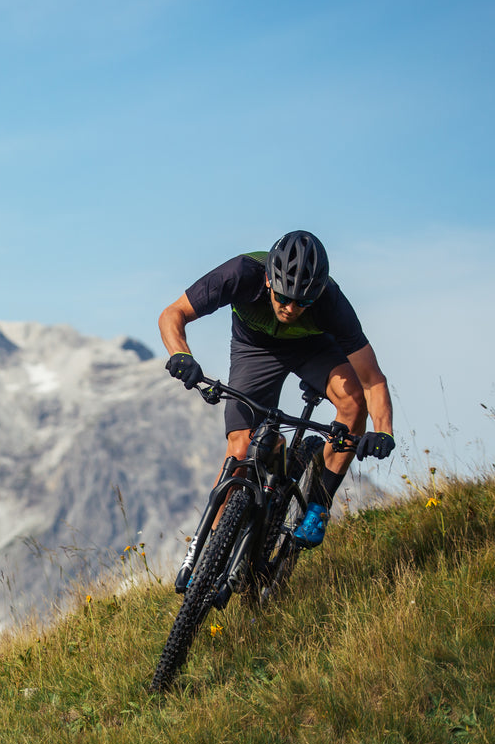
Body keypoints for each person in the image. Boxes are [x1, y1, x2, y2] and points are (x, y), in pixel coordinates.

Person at [157, 230, 395, 546]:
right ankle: (206, 547)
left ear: (317, 293)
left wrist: (383, 431)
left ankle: (319, 506)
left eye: (303, 302)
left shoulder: (332, 302)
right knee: (240, 449)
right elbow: (173, 314)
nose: (290, 309)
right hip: (254, 347)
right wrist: (181, 354)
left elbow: (372, 379)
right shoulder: (240, 273)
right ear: (269, 279)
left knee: (353, 403)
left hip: (313, 348)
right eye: (283, 297)